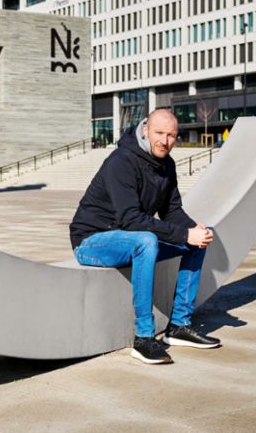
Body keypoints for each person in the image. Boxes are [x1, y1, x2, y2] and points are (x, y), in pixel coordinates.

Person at [70, 109, 221, 365]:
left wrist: (195, 231)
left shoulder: (167, 164)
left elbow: (171, 210)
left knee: (196, 242)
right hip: (93, 240)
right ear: (144, 130)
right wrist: (184, 233)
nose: (165, 141)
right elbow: (131, 219)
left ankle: (179, 326)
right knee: (146, 241)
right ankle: (144, 338)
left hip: (129, 237)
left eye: (171, 135)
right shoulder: (122, 161)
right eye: (159, 133)